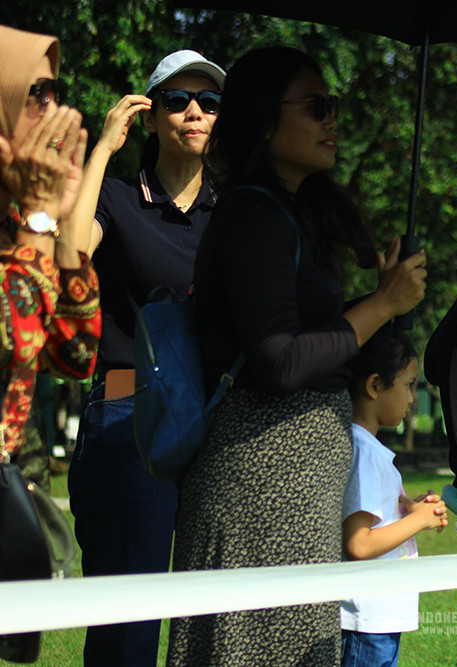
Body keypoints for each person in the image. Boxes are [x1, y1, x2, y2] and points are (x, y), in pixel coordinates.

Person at [166, 46, 427, 667]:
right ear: (262, 118)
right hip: (258, 481)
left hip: (295, 487)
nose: (332, 120)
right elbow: (279, 360)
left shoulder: (285, 212)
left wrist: (377, 299)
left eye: (332, 106)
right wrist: (381, 307)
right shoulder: (254, 214)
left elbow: (307, 337)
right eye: (316, 107)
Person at [65, 49, 225, 667]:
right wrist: (102, 148)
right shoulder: (113, 195)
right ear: (150, 115)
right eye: (178, 101)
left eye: (210, 103)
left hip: (215, 422)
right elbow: (72, 253)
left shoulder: (235, 208)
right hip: (128, 415)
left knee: (211, 619)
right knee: (128, 628)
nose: (194, 112)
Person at [0, 25, 100, 465]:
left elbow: (74, 356)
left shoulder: (17, 222)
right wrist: (40, 218)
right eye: (35, 93)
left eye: (53, 91)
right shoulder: (27, 224)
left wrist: (57, 216)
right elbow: (15, 341)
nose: (53, 109)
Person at [341, 324, 448, 667]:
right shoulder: (363, 452)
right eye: (408, 385)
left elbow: (375, 518)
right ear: (375, 385)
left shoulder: (366, 448)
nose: (413, 398)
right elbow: (359, 544)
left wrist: (413, 510)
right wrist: (417, 521)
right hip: (365, 620)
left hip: (376, 619)